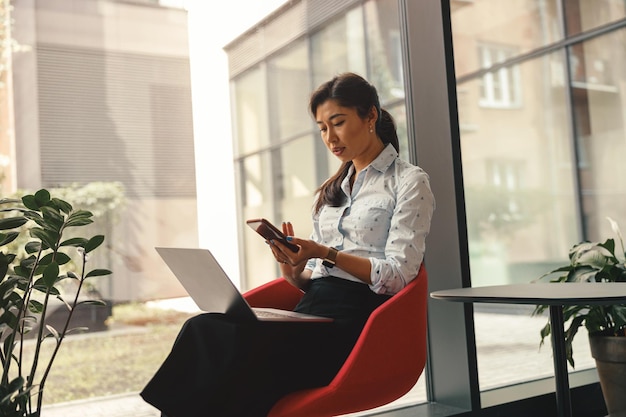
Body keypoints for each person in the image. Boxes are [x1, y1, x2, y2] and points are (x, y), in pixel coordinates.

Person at [140, 72, 435, 417]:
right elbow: (312, 277)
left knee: (228, 352)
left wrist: (326, 253)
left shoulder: (409, 181)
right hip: (310, 313)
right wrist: (293, 271)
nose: (330, 137)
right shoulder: (332, 191)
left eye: (337, 123)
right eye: (322, 128)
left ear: (370, 115)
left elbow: (399, 276)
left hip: (355, 327)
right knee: (203, 327)